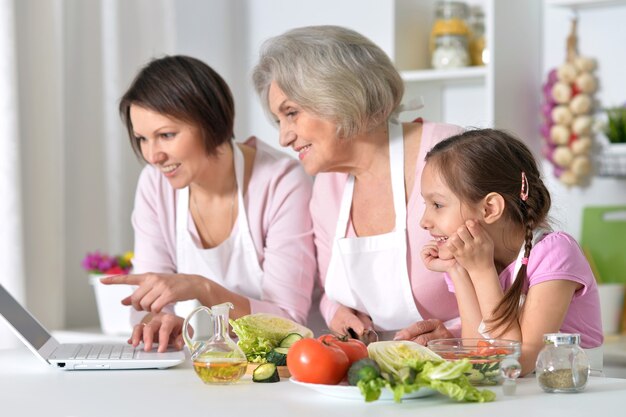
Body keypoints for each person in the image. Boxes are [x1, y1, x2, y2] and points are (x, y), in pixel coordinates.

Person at [252, 25, 463, 344]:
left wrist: (458, 335)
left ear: (339, 93)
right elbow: (329, 292)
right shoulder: (328, 187)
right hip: (379, 371)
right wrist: (336, 311)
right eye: (279, 120)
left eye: (292, 113)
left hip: (472, 365)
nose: (283, 137)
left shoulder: (452, 154)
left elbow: (528, 277)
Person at [101, 55, 316, 352]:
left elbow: (290, 324)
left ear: (211, 121)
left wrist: (202, 288)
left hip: (285, 372)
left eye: (166, 135)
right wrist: (159, 319)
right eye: (142, 139)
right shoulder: (154, 184)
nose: (153, 156)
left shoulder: (282, 182)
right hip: (211, 365)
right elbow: (150, 297)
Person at [419, 128, 603, 374]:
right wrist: (457, 270)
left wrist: (482, 271)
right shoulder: (469, 261)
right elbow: (478, 356)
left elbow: (518, 362)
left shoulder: (555, 253)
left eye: (437, 205)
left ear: (490, 208)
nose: (424, 221)